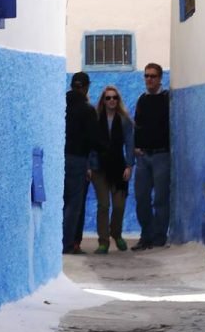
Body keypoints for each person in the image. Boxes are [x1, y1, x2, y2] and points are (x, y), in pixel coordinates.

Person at [90, 85, 135, 254]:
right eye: (108, 98)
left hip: (118, 167)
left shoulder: (124, 121)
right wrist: (89, 166)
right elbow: (90, 144)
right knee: (103, 205)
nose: (111, 101)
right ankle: (103, 241)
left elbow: (130, 144)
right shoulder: (95, 119)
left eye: (114, 97)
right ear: (103, 100)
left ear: (118, 100)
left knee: (119, 205)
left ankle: (116, 233)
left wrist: (129, 165)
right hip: (99, 167)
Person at [132, 63, 170, 250]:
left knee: (161, 199)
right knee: (141, 198)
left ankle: (159, 236)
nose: (149, 79)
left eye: (153, 76)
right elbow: (137, 125)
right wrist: (136, 147)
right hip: (143, 156)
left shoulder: (166, 99)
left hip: (161, 155)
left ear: (160, 78)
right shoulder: (142, 100)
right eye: (146, 76)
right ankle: (146, 235)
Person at [64, 72, 101, 255]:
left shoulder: (60, 105)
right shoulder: (87, 110)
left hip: (59, 159)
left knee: (61, 202)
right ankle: (68, 243)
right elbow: (94, 139)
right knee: (74, 204)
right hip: (78, 160)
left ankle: (58, 242)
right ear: (86, 87)